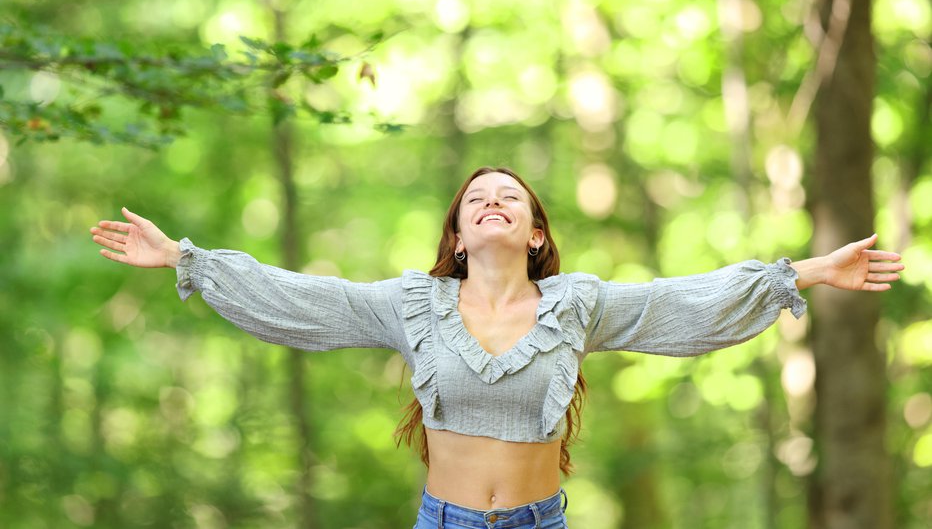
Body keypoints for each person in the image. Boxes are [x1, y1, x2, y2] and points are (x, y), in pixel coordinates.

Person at [90, 166, 904, 529]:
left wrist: (805, 272)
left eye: (507, 196)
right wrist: (188, 260)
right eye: (475, 198)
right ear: (457, 230)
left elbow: (677, 303)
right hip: (440, 522)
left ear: (535, 229)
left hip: (537, 523)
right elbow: (313, 300)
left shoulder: (578, 304)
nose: (490, 202)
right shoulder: (414, 303)